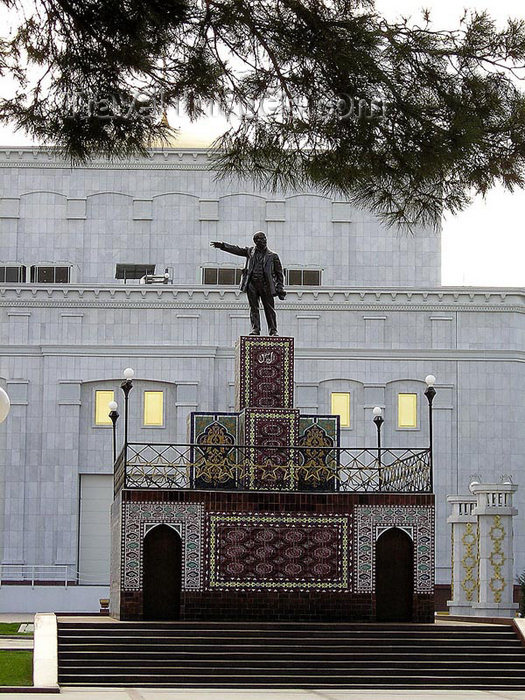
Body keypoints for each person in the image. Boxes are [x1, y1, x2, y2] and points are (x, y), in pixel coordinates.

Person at [210, 232, 286, 336]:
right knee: (253, 308)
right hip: (252, 284)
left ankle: (273, 330)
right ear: (256, 241)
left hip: (266, 285)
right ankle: (256, 329)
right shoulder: (250, 252)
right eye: (260, 239)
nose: (263, 241)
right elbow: (237, 250)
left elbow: (279, 273)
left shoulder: (273, 256)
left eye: (264, 239)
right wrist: (223, 246)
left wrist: (280, 286)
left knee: (269, 309)